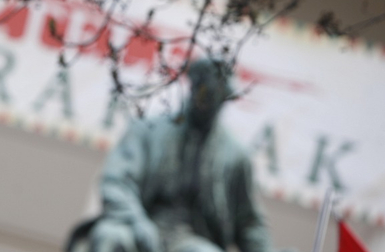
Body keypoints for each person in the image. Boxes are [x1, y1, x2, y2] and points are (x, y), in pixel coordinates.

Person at [67, 59, 272, 252]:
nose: (204, 102)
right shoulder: (147, 131)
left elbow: (248, 222)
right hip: (140, 224)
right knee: (110, 237)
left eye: (213, 96)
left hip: (192, 241)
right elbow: (116, 181)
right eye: (201, 91)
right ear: (191, 88)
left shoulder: (236, 157)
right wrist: (135, 220)